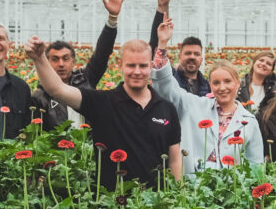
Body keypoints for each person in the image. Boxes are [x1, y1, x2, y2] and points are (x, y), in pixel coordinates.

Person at [25, 36, 182, 190]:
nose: (137, 71)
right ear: (120, 65)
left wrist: (175, 194)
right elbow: (57, 89)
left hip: (156, 204)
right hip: (111, 205)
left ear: (151, 66)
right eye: (131, 65)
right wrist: (39, 58)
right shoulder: (102, 102)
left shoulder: (166, 109)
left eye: (143, 66)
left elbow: (174, 159)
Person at [153, 15, 262, 174]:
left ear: (238, 83)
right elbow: (165, 87)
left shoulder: (249, 121)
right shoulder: (194, 105)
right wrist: (162, 44)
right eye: (216, 83)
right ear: (210, 86)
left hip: (232, 193)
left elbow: (256, 165)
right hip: (192, 188)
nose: (222, 87)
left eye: (227, 81)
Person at [31, 0, 125, 129]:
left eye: (66, 58)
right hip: (58, 150)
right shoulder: (40, 96)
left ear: (73, 61)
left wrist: (112, 20)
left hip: (89, 146)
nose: (61, 64)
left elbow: (102, 54)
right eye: (55, 59)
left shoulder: (86, 79)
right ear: (47, 63)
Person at [148, 0, 209, 97]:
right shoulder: (170, 77)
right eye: (187, 53)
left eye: (196, 54)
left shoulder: (208, 86)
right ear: (179, 57)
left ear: (201, 59)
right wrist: (162, 8)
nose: (192, 57)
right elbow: (155, 53)